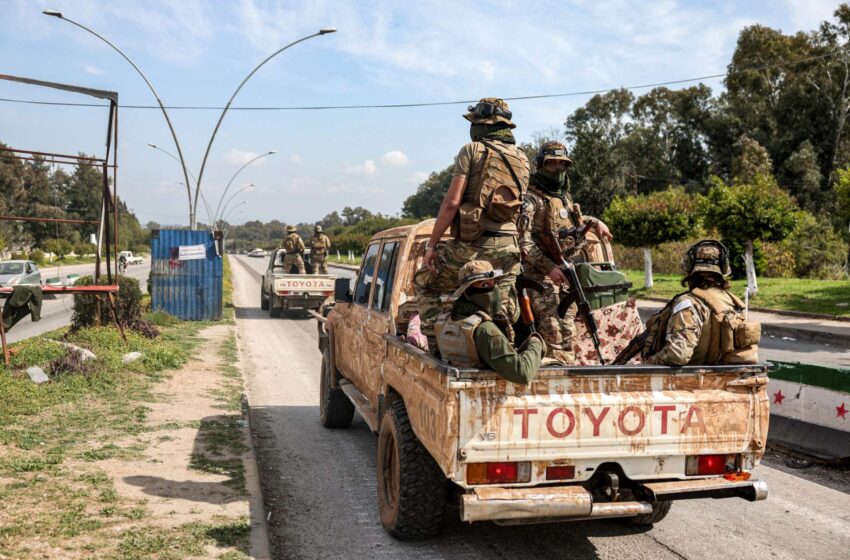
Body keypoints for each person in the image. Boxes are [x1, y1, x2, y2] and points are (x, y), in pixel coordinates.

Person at [414, 97, 530, 348]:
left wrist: (431, 246)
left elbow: (452, 203)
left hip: (473, 246)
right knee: (502, 305)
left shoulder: (472, 150)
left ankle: (438, 348)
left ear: (482, 124)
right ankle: (502, 350)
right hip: (509, 248)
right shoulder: (523, 157)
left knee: (425, 284)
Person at [518, 141, 613, 364]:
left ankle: (568, 367)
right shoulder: (531, 199)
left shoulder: (564, 196)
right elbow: (522, 240)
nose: (558, 169)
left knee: (569, 325)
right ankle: (552, 370)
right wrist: (549, 268)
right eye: (552, 164)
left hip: (565, 272)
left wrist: (596, 222)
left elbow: (574, 223)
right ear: (541, 165)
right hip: (538, 276)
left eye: (562, 164)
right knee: (551, 328)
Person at [642, 240, 760, 366]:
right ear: (723, 268)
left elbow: (677, 355)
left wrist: (650, 362)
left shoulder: (688, 303)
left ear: (689, 267)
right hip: (726, 380)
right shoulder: (733, 303)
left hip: (691, 381)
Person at [435, 261, 546, 384]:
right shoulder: (485, 329)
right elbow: (522, 373)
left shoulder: (448, 319)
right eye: (484, 285)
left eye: (494, 283)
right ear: (467, 292)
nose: (493, 289)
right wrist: (536, 342)